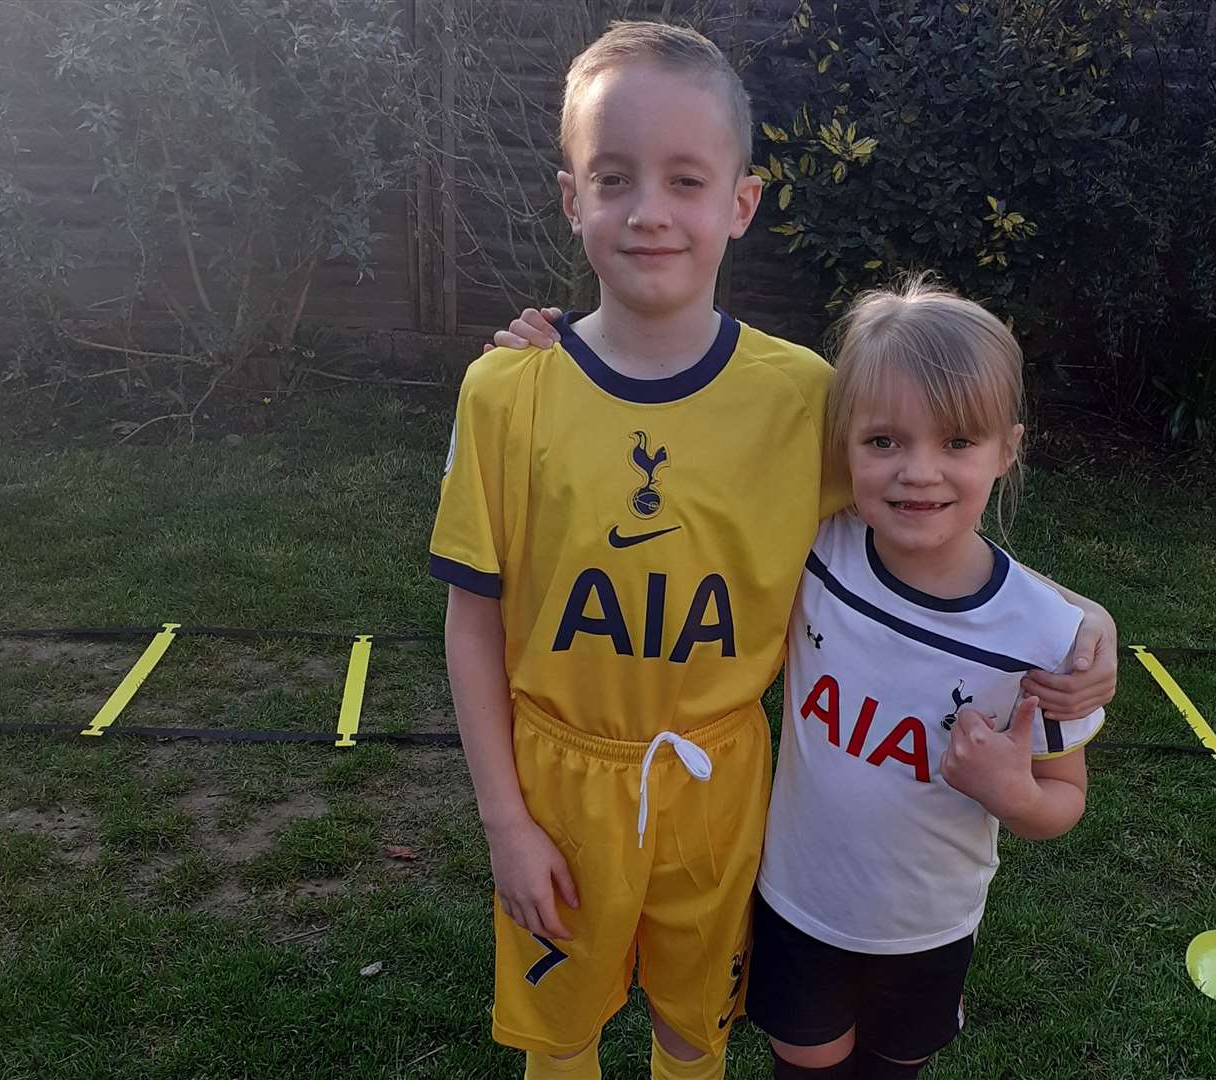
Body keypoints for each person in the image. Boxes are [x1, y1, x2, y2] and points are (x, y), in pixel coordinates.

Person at [433, 21, 1116, 1080]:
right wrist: (502, 822)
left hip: (722, 788)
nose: (649, 210)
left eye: (685, 179)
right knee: (560, 1031)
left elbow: (930, 517)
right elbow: (472, 617)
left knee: (688, 1026)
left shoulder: (803, 399)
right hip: (557, 782)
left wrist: (1083, 619)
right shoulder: (507, 392)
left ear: (739, 203)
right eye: (613, 177)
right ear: (571, 197)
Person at [748, 276, 1105, 1079]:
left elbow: (1064, 799)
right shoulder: (816, 552)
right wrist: (560, 351)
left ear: (1006, 450)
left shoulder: (1045, 639)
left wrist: (1011, 793)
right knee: (802, 1065)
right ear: (843, 444)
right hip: (795, 902)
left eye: (956, 443)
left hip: (926, 929)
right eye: (883, 441)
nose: (917, 472)